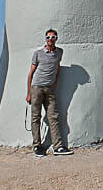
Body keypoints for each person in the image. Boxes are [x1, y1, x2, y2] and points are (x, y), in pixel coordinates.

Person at [25, 29, 72, 157]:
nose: (50, 39)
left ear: (56, 38)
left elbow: (57, 67)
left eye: (53, 37)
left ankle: (58, 146)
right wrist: (29, 93)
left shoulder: (59, 52)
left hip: (50, 88)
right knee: (36, 117)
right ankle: (37, 146)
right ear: (45, 39)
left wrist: (55, 81)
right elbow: (31, 73)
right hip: (37, 87)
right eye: (48, 37)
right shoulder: (38, 53)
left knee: (54, 116)